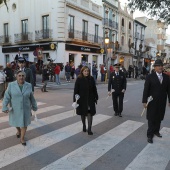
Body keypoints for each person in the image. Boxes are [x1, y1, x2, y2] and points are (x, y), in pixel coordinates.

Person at [2, 70, 37, 146]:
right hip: (15, 109)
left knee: (24, 124)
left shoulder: (29, 85)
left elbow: (31, 97)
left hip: (26, 109)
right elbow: (6, 97)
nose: (21, 77)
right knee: (16, 123)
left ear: (25, 77)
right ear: (16, 77)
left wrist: (34, 106)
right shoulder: (11, 85)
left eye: (23, 76)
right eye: (19, 76)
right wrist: (4, 106)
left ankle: (22, 139)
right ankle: (18, 131)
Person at [142, 59, 170, 144]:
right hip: (152, 101)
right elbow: (146, 90)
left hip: (162, 101)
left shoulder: (166, 77)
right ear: (155, 67)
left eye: (161, 66)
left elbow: (169, 90)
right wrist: (144, 101)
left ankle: (156, 131)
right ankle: (150, 135)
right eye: (158, 66)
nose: (160, 67)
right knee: (151, 118)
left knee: (159, 117)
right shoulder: (150, 77)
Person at [73, 66, 98, 135]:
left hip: (90, 99)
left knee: (90, 114)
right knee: (83, 114)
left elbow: (94, 88)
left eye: (87, 71)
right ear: (82, 72)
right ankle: (84, 125)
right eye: (85, 71)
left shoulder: (91, 78)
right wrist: (75, 100)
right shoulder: (79, 79)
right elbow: (76, 90)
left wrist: (96, 97)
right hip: (82, 100)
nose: (86, 72)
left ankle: (89, 129)